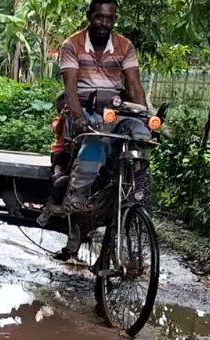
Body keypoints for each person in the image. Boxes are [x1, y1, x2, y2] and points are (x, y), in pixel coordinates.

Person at [47, 0, 145, 260]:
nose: (104, 23)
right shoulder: (72, 45)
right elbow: (70, 90)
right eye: (99, 17)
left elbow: (134, 86)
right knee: (96, 140)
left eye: (109, 18)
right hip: (82, 110)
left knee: (141, 136)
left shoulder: (125, 45)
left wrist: (144, 115)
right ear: (90, 16)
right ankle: (77, 195)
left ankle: (136, 191)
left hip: (115, 111)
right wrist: (80, 118)